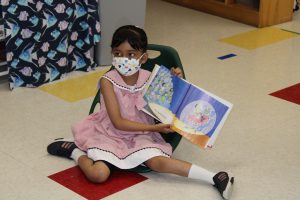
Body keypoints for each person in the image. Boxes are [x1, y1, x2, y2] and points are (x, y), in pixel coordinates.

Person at [47, 25, 234, 199]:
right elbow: (118, 123)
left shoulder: (151, 78)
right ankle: (75, 152)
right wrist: (154, 128)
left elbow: (173, 105)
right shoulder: (107, 81)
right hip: (109, 133)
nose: (123, 59)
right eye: (117, 53)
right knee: (98, 174)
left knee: (158, 163)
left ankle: (215, 177)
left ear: (143, 58)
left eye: (130, 54)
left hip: (142, 135)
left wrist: (177, 81)